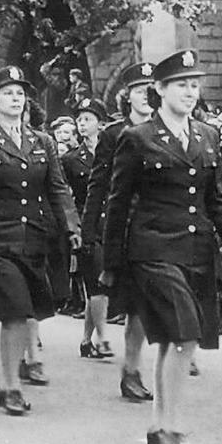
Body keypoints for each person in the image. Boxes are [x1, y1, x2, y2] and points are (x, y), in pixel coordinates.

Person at [102, 50, 222, 444]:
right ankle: (169, 425)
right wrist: (110, 263)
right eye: (181, 84)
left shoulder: (207, 135)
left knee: (179, 338)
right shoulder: (137, 138)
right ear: (160, 89)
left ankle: (159, 425)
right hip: (152, 249)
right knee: (183, 331)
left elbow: (218, 198)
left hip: (197, 250)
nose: (190, 92)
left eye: (194, 84)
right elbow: (117, 203)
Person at [0, 65, 80, 415]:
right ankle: (9, 385)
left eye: (20, 93)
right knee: (15, 312)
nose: (16, 98)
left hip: (34, 239)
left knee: (28, 313)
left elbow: (57, 188)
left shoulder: (43, 142)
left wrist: (71, 227)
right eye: (8, 93)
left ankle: (18, 371)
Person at [83, 62, 156, 401]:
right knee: (137, 305)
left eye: (151, 88)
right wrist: (89, 231)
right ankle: (131, 369)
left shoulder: (166, 128)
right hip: (126, 226)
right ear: (127, 97)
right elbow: (99, 184)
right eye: (139, 90)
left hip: (163, 225)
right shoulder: (113, 135)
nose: (146, 95)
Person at [62, 97, 112, 359]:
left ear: (101, 124)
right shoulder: (70, 160)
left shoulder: (113, 154)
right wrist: (72, 227)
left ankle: (86, 340)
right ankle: (103, 337)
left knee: (101, 283)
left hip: (111, 224)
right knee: (96, 282)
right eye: (79, 120)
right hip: (86, 225)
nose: (82, 124)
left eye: (87, 119)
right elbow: (65, 195)